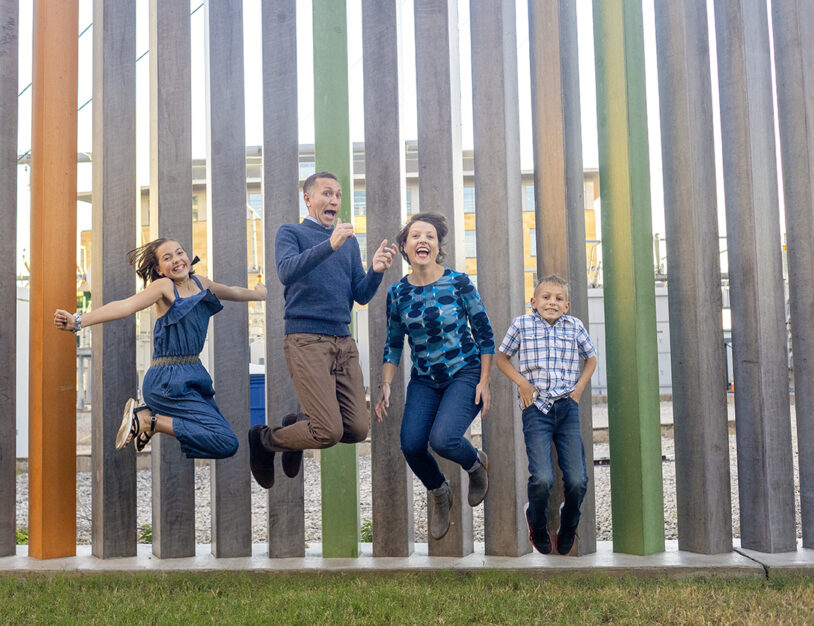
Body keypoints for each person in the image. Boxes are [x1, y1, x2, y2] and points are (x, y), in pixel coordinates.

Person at [248, 171, 398, 489]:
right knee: (328, 432)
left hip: (343, 341)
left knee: (357, 429)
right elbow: (286, 271)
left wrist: (375, 271)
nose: (333, 200)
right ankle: (264, 440)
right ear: (308, 199)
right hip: (306, 339)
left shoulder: (348, 242)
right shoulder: (290, 232)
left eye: (338, 195)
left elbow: (360, 294)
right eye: (326, 193)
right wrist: (329, 244)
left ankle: (294, 428)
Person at [53, 238, 266, 459]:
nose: (176, 260)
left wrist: (260, 294)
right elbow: (125, 306)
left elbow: (233, 292)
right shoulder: (164, 287)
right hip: (167, 379)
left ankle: (151, 420)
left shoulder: (202, 283)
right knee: (226, 442)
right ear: (158, 269)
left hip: (194, 375)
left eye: (179, 253)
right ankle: (147, 420)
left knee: (221, 439)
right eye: (167, 258)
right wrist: (78, 321)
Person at [374, 212, 495, 540]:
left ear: (438, 245)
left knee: (444, 440)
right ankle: (440, 492)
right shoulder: (398, 294)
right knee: (412, 445)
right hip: (425, 379)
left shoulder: (459, 282)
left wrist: (484, 381)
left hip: (464, 371)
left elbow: (484, 333)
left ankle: (475, 465)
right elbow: (393, 343)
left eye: (429, 236)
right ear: (405, 246)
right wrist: (385, 383)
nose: (422, 240)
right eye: (415, 236)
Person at [496, 274, 597, 555]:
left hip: (567, 409)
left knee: (577, 480)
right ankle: (537, 524)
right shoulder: (522, 325)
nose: (551, 302)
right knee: (542, 478)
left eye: (558, 299)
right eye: (546, 297)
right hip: (536, 410)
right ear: (533, 302)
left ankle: (568, 525)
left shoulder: (574, 327)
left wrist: (578, 389)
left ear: (567, 306)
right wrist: (522, 383)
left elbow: (591, 358)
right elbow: (502, 358)